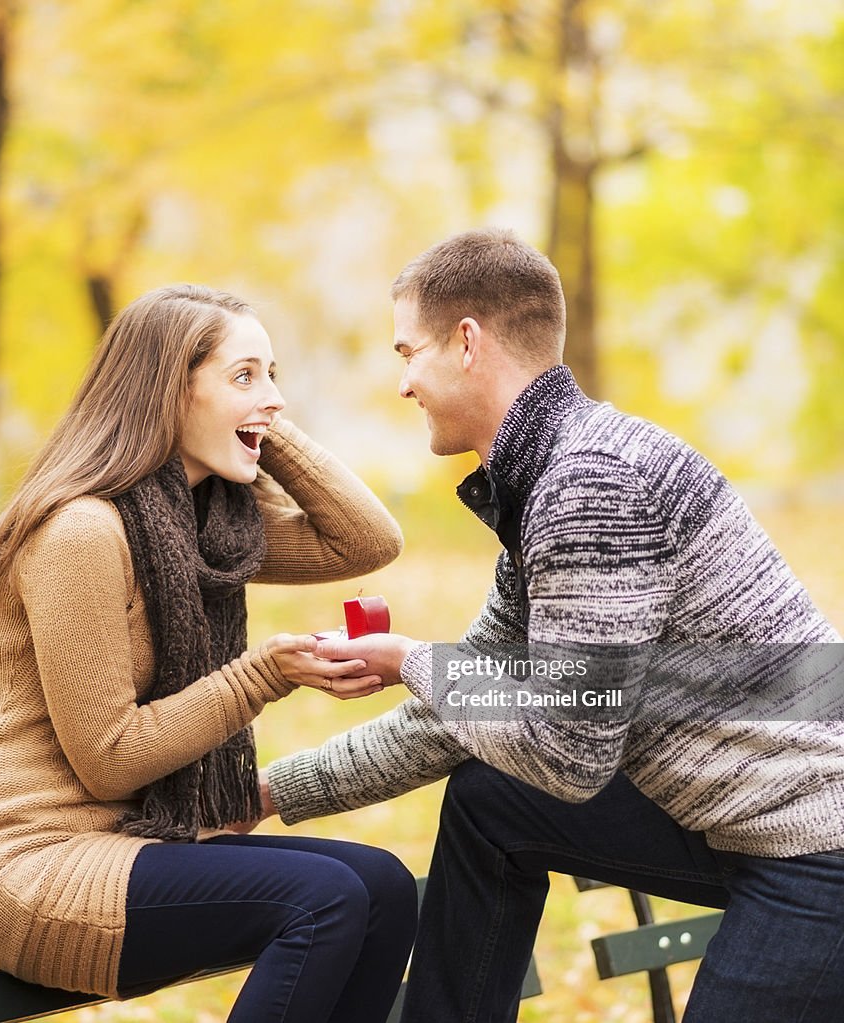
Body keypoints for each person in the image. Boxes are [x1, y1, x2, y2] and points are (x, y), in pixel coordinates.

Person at [258, 229, 844, 1022]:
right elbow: (457, 720)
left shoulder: (589, 485)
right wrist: (266, 793)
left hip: (815, 843)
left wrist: (414, 659)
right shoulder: (549, 483)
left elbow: (570, 750)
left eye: (408, 352)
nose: (403, 384)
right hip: (740, 818)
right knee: (491, 797)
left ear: (467, 342)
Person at [0, 284, 418, 1023]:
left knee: (387, 888)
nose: (271, 395)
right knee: (327, 898)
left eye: (274, 374)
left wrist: (259, 418)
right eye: (244, 375)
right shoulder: (81, 532)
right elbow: (108, 756)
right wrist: (264, 673)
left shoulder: (207, 528)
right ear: (167, 390)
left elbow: (365, 540)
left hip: (146, 844)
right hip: (44, 869)